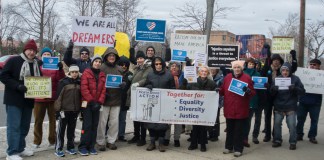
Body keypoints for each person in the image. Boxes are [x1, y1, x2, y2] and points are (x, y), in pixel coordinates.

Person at [0, 39, 42, 160]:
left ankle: (20, 148)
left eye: (34, 50)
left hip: (28, 100)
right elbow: (3, 76)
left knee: (24, 126)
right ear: (25, 50)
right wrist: (17, 86)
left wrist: (58, 66)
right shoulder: (14, 61)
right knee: (14, 126)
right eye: (29, 50)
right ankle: (11, 152)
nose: (31, 52)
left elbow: (46, 73)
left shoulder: (36, 63)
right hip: (14, 99)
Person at [261, 43, 297, 142]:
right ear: (272, 61)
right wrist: (268, 53)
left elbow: (293, 68)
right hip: (268, 97)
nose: (276, 62)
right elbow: (262, 73)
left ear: (280, 62)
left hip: (278, 97)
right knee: (267, 117)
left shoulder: (283, 71)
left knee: (276, 118)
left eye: (278, 61)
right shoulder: (267, 69)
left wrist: (294, 57)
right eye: (274, 61)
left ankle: (275, 134)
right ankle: (267, 135)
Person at [220, 60, 255, 157]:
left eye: (238, 67)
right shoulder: (227, 77)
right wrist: (217, 90)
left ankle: (238, 149)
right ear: (232, 68)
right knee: (230, 129)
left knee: (239, 131)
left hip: (241, 108)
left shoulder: (247, 78)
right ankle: (228, 147)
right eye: (235, 67)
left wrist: (248, 91)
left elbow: (253, 92)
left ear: (242, 68)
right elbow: (222, 91)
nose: (236, 69)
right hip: (229, 108)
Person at [33, 47, 65, 149]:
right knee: (38, 120)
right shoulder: (37, 65)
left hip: (52, 98)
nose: (46, 56)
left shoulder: (55, 66)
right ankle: (37, 141)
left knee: (52, 120)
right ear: (41, 56)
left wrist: (60, 69)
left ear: (51, 56)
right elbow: (31, 78)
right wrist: (36, 68)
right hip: (39, 97)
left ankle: (52, 140)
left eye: (48, 54)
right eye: (44, 54)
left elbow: (62, 79)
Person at [270, 62, 305, 150]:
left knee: (292, 125)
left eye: (287, 70)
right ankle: (277, 140)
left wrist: (295, 88)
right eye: (283, 70)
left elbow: (303, 91)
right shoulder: (277, 79)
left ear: (290, 71)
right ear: (281, 71)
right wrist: (273, 89)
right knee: (277, 125)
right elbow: (271, 94)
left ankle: (293, 142)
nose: (285, 72)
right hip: (279, 106)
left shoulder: (296, 79)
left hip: (291, 107)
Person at [144, 57, 175, 152]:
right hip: (153, 103)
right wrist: (147, 86)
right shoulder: (150, 75)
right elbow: (145, 85)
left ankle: (161, 143)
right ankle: (152, 142)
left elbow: (172, 88)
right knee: (151, 123)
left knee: (163, 124)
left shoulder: (169, 75)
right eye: (156, 64)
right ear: (154, 65)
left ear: (163, 64)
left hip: (164, 103)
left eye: (160, 64)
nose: (158, 65)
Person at [78, 56, 106, 156]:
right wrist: (92, 101)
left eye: (99, 62)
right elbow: (84, 89)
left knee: (95, 125)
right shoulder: (86, 73)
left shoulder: (102, 75)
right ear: (92, 62)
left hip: (97, 105)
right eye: (96, 61)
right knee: (87, 125)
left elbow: (103, 90)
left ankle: (91, 146)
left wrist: (99, 102)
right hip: (87, 104)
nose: (97, 63)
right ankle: (83, 146)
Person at [96, 48, 123, 151]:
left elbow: (124, 81)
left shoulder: (120, 69)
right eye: (110, 55)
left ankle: (111, 141)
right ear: (106, 56)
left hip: (116, 99)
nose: (112, 57)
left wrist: (123, 85)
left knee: (114, 122)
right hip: (104, 99)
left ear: (116, 57)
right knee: (102, 122)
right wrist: (102, 93)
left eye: (113, 56)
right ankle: (100, 142)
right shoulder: (101, 68)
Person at [187, 66, 216, 152]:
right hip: (195, 108)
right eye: (202, 71)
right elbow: (186, 92)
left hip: (205, 108)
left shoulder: (211, 83)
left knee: (203, 127)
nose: (203, 73)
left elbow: (214, 94)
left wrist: (217, 90)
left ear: (208, 73)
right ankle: (193, 144)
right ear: (199, 73)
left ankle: (203, 144)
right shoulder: (193, 82)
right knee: (195, 127)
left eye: (205, 71)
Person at [54, 65, 81, 157]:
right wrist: (57, 111)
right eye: (73, 72)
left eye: (76, 72)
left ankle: (70, 147)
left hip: (74, 110)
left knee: (71, 130)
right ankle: (58, 148)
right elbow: (58, 97)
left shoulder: (79, 82)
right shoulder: (63, 82)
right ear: (69, 72)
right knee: (61, 130)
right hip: (64, 111)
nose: (74, 74)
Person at [127, 51, 152, 146]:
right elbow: (135, 77)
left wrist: (138, 83)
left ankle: (143, 138)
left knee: (142, 118)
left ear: (144, 59)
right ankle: (136, 135)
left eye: (141, 58)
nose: (139, 60)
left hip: (142, 95)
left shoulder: (148, 68)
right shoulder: (137, 68)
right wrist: (132, 78)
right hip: (135, 95)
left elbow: (145, 79)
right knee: (135, 117)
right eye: (138, 59)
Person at [297, 59, 322, 144]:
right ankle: (299, 135)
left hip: (315, 103)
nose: (312, 66)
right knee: (300, 119)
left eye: (314, 65)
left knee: (314, 121)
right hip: (303, 101)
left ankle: (312, 136)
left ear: (319, 66)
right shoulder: (303, 75)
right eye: (310, 64)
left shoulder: (322, 76)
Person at [242, 58, 262, 147]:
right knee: (247, 121)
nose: (251, 66)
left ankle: (255, 136)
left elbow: (261, 87)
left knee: (258, 120)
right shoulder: (243, 73)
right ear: (247, 64)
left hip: (256, 99)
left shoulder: (258, 74)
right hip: (247, 100)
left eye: (253, 64)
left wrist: (263, 85)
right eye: (250, 64)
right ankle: (245, 138)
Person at [164, 61, 184, 147]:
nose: (174, 67)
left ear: (179, 68)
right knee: (167, 121)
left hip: (180, 101)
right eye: (172, 66)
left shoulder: (182, 76)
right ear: (169, 67)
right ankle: (166, 138)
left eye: (176, 66)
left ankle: (176, 139)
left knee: (178, 122)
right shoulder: (166, 76)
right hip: (168, 101)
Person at [117, 56, 133, 142]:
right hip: (115, 99)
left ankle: (121, 135)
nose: (124, 67)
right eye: (122, 65)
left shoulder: (130, 74)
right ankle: (110, 134)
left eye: (125, 65)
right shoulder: (116, 72)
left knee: (122, 119)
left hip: (124, 100)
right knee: (112, 119)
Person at [208, 68, 223, 142]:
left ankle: (215, 135)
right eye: (211, 70)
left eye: (214, 69)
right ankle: (210, 134)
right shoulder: (207, 77)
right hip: (208, 102)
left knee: (216, 118)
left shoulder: (220, 78)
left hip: (216, 101)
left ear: (217, 70)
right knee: (209, 118)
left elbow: (222, 89)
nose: (212, 71)